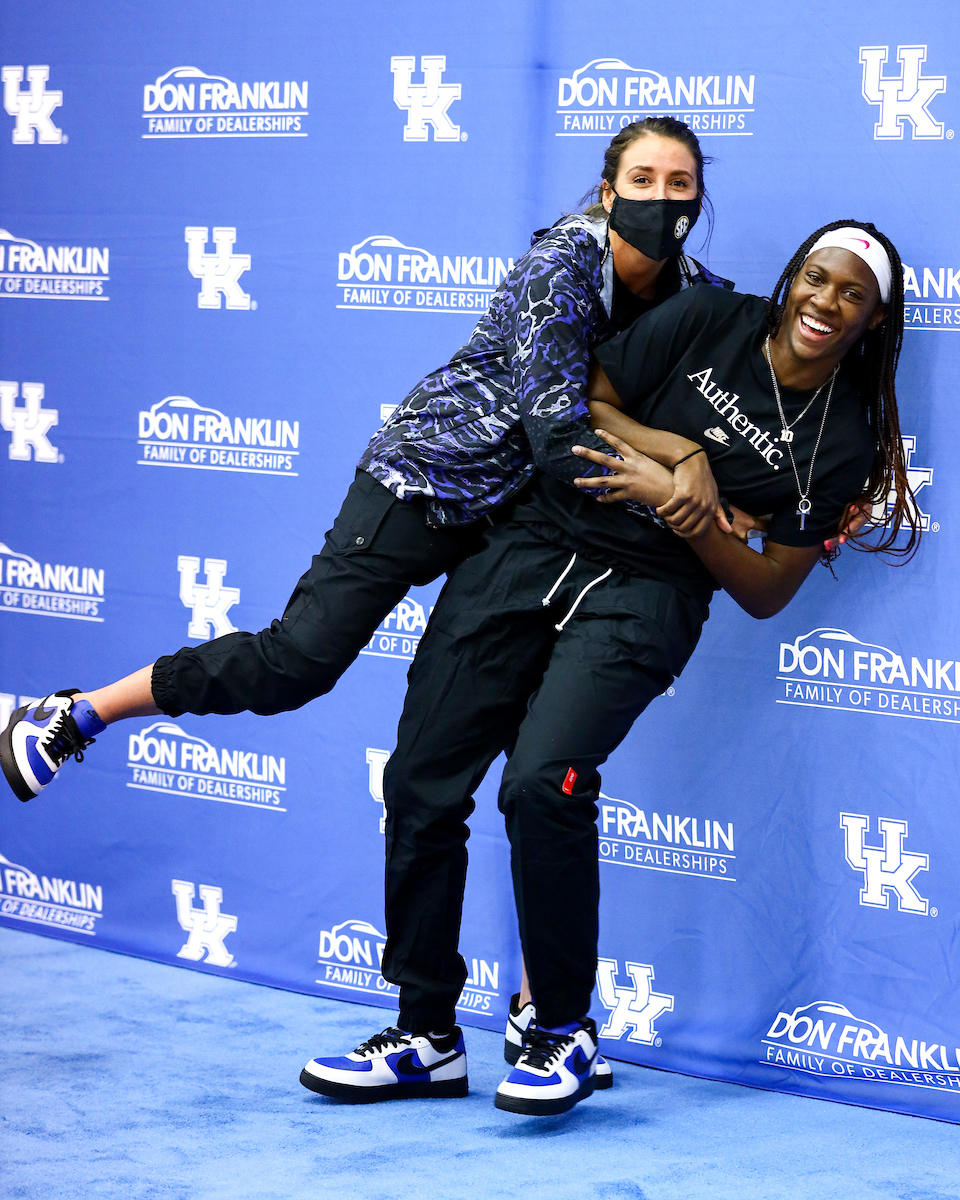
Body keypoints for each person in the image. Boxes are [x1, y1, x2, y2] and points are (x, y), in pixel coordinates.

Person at [1, 118, 734, 1089]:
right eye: (642, 178)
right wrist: (686, 469)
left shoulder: (698, 298)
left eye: (680, 181)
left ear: (699, 197)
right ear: (607, 192)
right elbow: (559, 438)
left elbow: (748, 386)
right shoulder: (562, 266)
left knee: (531, 764)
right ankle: (77, 712)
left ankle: (519, 1018)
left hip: (516, 532)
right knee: (297, 662)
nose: (662, 196)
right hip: (425, 487)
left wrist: (798, 496)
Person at [299, 222, 919, 1116]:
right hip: (537, 539)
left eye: (852, 294)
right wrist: (683, 457)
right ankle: (425, 1033)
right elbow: (584, 395)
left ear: (875, 321)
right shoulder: (709, 318)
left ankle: (560, 1028)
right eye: (817, 279)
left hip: (653, 591)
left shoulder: (843, 439)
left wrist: (687, 513)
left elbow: (768, 589)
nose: (826, 302)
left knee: (542, 782)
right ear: (793, 278)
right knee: (421, 779)